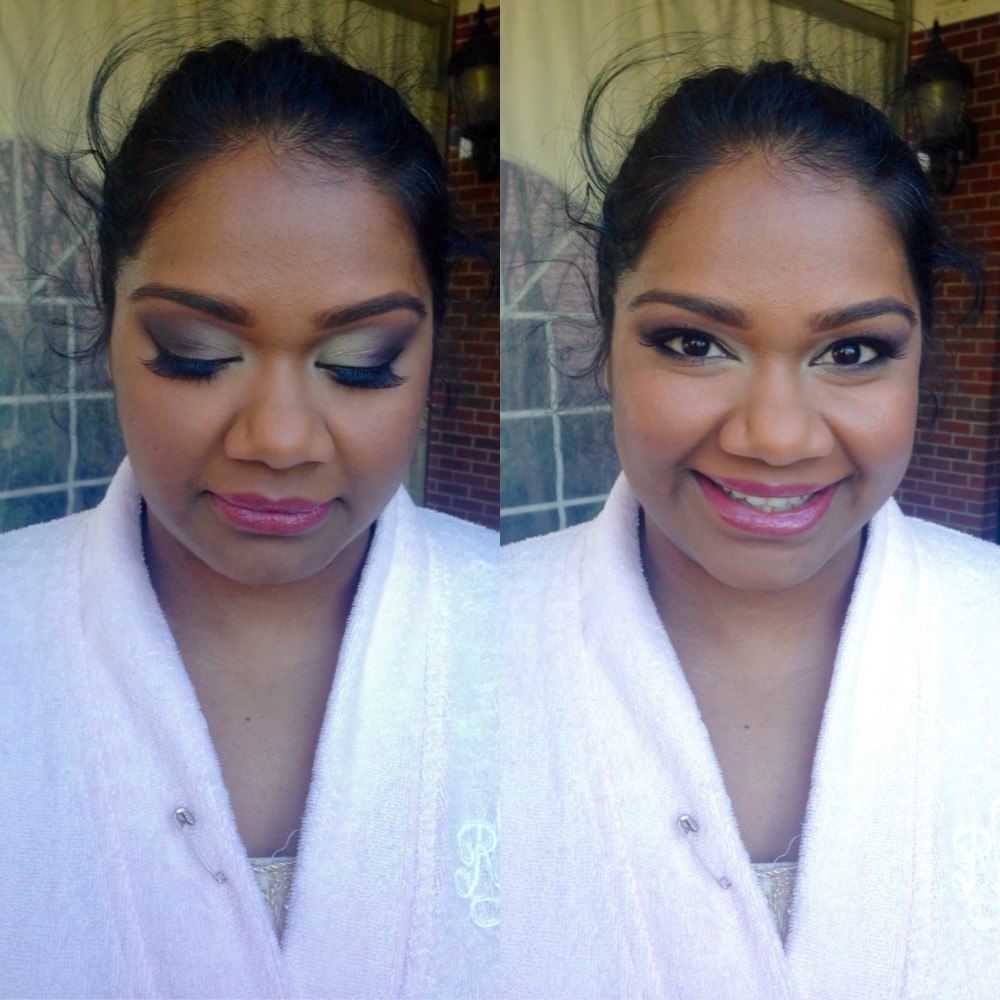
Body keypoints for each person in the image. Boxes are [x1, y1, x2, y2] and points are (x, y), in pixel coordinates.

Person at [0, 35, 498, 999]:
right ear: (108, 320)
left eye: (359, 362)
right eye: (195, 351)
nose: (278, 439)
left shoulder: (535, 630)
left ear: (433, 343)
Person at [502, 60, 1000, 999]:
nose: (775, 436)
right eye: (695, 343)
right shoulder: (473, 640)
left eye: (852, 351)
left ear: (919, 359)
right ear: (606, 339)